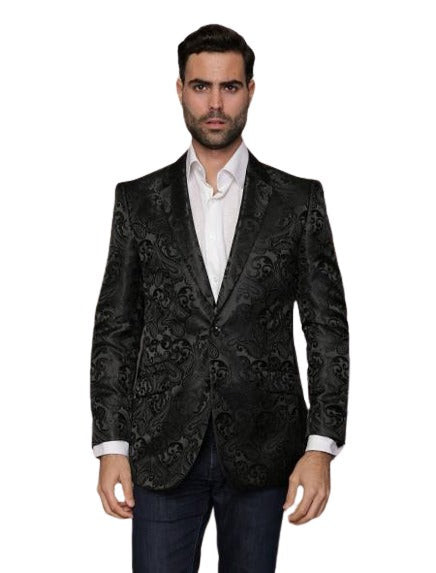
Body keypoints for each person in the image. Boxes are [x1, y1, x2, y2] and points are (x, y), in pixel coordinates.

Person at [90, 23, 349, 573]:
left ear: (250, 90)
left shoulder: (297, 201)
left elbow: (327, 329)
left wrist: (321, 445)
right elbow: (116, 328)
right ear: (180, 90)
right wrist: (111, 445)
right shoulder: (138, 201)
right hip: (161, 449)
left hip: (265, 447)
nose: (214, 104)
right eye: (201, 86)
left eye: (229, 87)